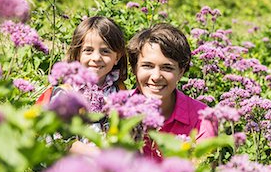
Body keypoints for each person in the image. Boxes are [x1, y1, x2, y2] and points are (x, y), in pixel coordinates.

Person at [36, 16, 128, 155]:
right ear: (78, 54)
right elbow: (61, 140)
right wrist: (97, 155)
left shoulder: (119, 91)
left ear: (118, 57)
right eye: (88, 50)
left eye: (105, 51)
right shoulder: (66, 94)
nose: (96, 58)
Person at [127, 23, 217, 160]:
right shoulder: (118, 108)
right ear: (134, 68)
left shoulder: (202, 118)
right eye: (147, 66)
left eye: (167, 68)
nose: (156, 77)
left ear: (181, 71)